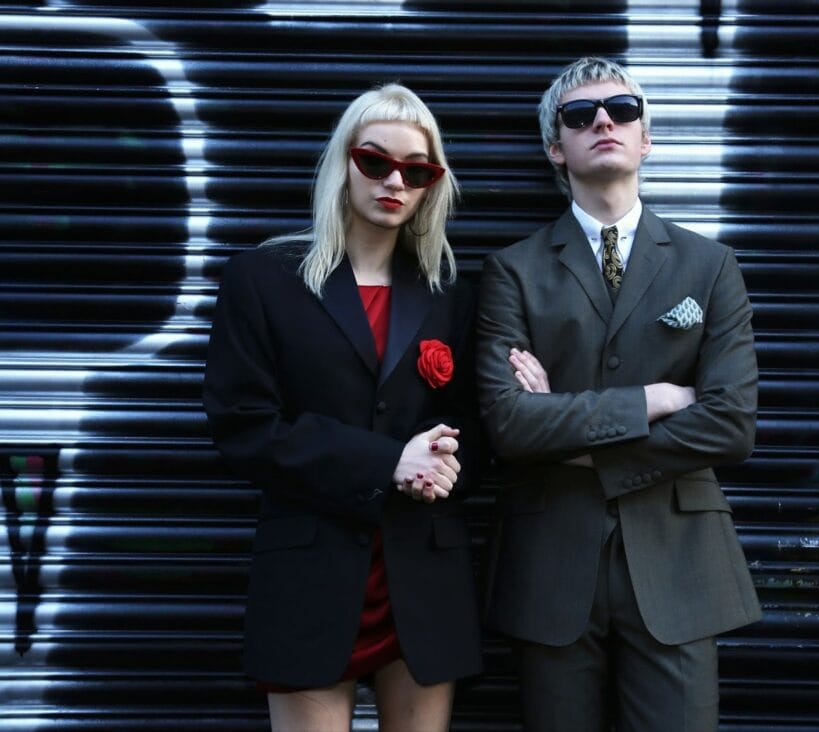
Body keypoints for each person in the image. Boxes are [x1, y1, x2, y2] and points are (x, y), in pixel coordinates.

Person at [477, 57, 761, 730]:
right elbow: (511, 426)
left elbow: (731, 425)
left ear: (646, 137)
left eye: (622, 110)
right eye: (580, 115)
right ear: (556, 146)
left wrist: (570, 436)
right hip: (550, 569)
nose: (603, 120)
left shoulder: (709, 265)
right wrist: (655, 398)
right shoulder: (511, 272)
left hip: (680, 569)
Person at [203, 83, 481, 731]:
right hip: (309, 575)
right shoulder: (263, 279)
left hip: (423, 579)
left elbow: (477, 432)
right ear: (344, 162)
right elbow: (244, 428)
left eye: (417, 170)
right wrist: (390, 463)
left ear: (431, 184)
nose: (394, 182)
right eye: (375, 161)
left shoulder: (451, 295)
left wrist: (446, 459)